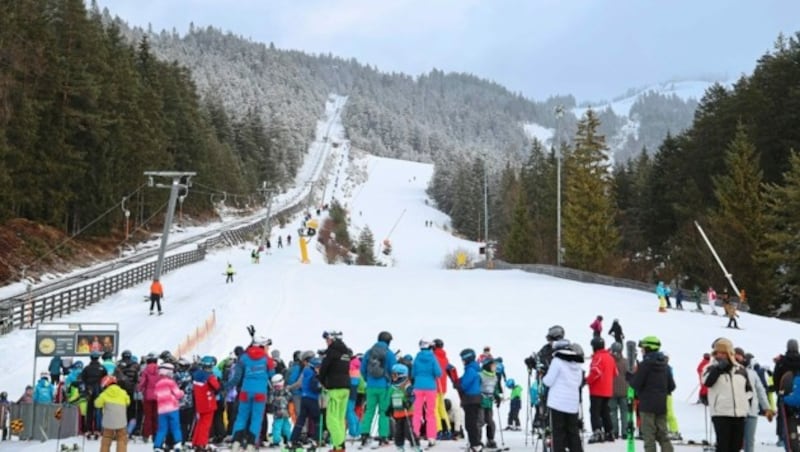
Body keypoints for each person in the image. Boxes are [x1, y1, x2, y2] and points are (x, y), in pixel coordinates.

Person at [703, 337, 751, 452]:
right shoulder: (710, 368)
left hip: (739, 414)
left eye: (723, 353)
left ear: (729, 353)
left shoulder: (741, 369)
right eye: (717, 352)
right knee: (723, 446)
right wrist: (718, 369)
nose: (720, 355)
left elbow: (748, 390)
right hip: (721, 413)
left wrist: (746, 404)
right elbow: (707, 382)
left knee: (736, 446)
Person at [226, 336, 274, 449]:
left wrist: (225, 386)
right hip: (260, 393)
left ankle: (236, 442)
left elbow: (236, 378)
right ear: (261, 346)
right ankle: (251, 444)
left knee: (241, 417)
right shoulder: (267, 359)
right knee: (256, 418)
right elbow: (273, 375)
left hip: (245, 391)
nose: (268, 349)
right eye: (267, 346)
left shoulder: (244, 357)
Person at [628, 336, 674, 452]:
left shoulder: (645, 365)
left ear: (648, 348)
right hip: (661, 406)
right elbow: (672, 386)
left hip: (647, 406)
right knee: (663, 435)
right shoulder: (665, 365)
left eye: (643, 348)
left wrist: (630, 377)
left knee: (649, 436)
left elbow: (636, 384)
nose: (642, 350)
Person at [542, 339, 584, 452]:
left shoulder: (557, 361)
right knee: (573, 432)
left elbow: (548, 381)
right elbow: (579, 382)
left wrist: (543, 377)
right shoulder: (576, 363)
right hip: (572, 404)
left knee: (558, 433)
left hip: (557, 403)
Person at [359, 331, 397, 448]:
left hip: (370, 386)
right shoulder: (389, 354)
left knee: (369, 411)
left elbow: (362, 369)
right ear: (388, 341)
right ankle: (383, 436)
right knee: (383, 412)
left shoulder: (369, 352)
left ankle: (364, 435)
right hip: (384, 386)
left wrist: (367, 379)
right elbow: (393, 369)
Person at [734, 347, 773, 452]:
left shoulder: (752, 373)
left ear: (743, 357)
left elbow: (761, 392)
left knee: (749, 441)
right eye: (734, 355)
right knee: (735, 442)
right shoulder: (731, 372)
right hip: (736, 413)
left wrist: (767, 408)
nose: (737, 357)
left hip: (751, 412)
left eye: (739, 355)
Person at [319, 331, 352, 452]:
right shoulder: (346, 353)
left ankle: (339, 446)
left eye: (327, 340)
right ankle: (338, 445)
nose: (326, 342)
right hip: (346, 388)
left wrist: (322, 382)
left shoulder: (331, 352)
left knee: (331, 419)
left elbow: (323, 369)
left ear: (332, 340)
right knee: (340, 418)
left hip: (334, 388)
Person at [412, 339, 443, 448]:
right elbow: (439, 373)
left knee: (417, 413)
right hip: (430, 387)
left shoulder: (417, 358)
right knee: (430, 413)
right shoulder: (432, 358)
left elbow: (413, 373)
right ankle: (431, 437)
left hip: (418, 387)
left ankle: (415, 435)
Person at [586, 337, 616, 443]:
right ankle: (609, 431)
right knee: (605, 411)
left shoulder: (598, 357)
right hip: (608, 390)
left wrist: (587, 381)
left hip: (597, 390)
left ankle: (597, 432)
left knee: (594, 411)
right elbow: (615, 373)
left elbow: (595, 371)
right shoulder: (610, 357)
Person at [192, 356, 221, 451]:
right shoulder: (209, 376)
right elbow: (217, 387)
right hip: (208, 403)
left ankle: (196, 442)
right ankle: (202, 443)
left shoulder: (196, 375)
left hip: (199, 403)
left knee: (200, 423)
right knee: (206, 425)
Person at [95, 375, 131, 452]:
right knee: (121, 438)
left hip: (108, 422)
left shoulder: (104, 394)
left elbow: (97, 404)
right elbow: (128, 402)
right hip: (121, 421)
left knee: (106, 438)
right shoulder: (123, 392)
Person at [456, 348, 482, 452]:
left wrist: (458, 384)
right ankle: (474, 443)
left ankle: (475, 444)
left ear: (467, 358)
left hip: (471, 400)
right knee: (471, 423)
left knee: (470, 424)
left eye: (462, 359)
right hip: (472, 400)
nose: (462, 361)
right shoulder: (472, 368)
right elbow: (463, 380)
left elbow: (464, 384)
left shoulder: (471, 370)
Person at [154, 363, 184, 452]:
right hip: (172, 408)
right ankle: (178, 444)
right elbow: (178, 394)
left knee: (162, 429)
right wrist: (182, 391)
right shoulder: (171, 382)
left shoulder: (158, 384)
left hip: (161, 410)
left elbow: (156, 396)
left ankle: (157, 446)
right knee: (175, 427)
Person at [386, 364, 415, 450]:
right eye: (392, 375)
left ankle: (415, 445)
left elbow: (413, 396)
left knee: (408, 431)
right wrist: (389, 408)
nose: (393, 377)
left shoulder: (407, 385)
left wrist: (408, 402)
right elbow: (391, 398)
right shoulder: (392, 387)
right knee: (398, 433)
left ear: (402, 375)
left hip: (407, 413)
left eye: (395, 375)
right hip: (397, 414)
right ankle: (399, 446)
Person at [431, 338, 454, 440]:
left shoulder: (433, 357)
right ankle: (448, 430)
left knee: (434, 409)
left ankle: (439, 430)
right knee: (442, 408)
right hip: (442, 386)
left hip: (434, 386)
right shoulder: (445, 357)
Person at [608, 342, 628, 439]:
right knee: (625, 412)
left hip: (612, 390)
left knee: (612, 411)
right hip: (624, 390)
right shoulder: (626, 362)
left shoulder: (609, 361)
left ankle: (614, 431)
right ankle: (625, 432)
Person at [478, 358, 500, 449]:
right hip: (480, 402)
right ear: (487, 366)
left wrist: (497, 396)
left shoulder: (495, 376)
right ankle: (477, 441)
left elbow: (495, 388)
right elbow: (476, 387)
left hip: (489, 402)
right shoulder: (480, 375)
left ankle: (490, 440)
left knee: (490, 421)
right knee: (480, 421)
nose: (495, 367)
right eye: (493, 365)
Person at [138, 353, 160, 442]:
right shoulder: (160, 370)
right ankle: (156, 434)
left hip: (148, 396)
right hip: (158, 395)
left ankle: (146, 435)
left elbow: (142, 382)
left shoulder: (145, 370)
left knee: (148, 416)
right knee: (156, 416)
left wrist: (139, 389)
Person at [267, 374, 292, 447]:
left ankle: (276, 440)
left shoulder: (273, 391)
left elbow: (270, 400)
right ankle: (289, 439)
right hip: (285, 412)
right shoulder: (286, 390)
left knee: (277, 426)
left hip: (278, 413)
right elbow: (290, 397)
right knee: (286, 426)